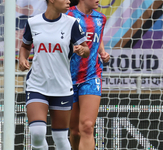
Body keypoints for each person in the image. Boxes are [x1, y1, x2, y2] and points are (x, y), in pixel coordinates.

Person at [19, 0, 90, 149]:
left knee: (60, 139)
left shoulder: (72, 23)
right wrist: (22, 58)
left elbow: (86, 50)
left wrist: (82, 51)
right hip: (37, 85)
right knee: (37, 133)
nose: (68, 1)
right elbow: (25, 46)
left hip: (61, 87)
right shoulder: (33, 22)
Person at [66, 0, 110, 150]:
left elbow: (98, 38)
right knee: (76, 131)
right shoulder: (67, 14)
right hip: (67, 78)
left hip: (92, 75)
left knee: (87, 127)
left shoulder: (101, 18)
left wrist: (102, 52)